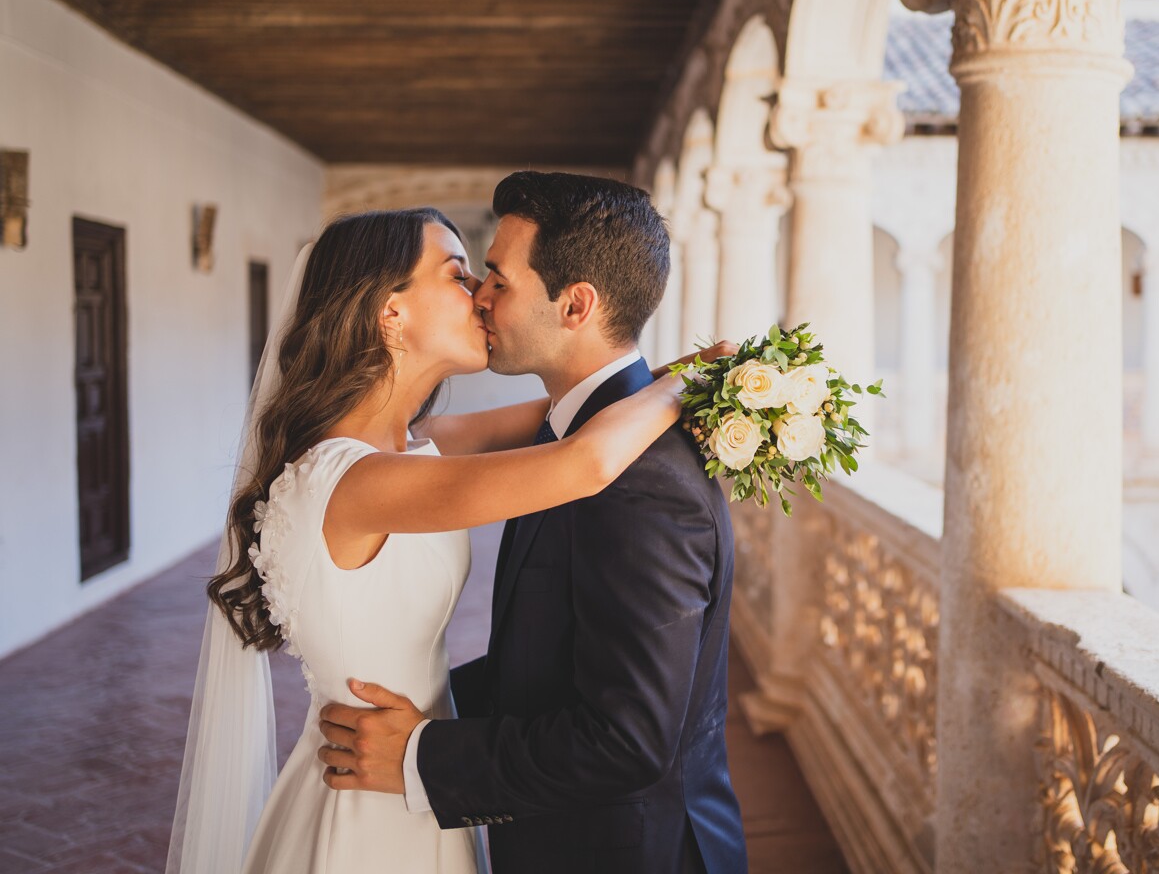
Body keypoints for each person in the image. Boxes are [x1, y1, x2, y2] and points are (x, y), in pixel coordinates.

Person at [166, 200, 734, 874]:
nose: (483, 298)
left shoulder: (414, 447)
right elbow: (583, 461)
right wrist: (697, 382)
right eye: (460, 276)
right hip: (375, 805)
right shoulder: (360, 483)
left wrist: (665, 370)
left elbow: (561, 418)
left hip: (408, 766)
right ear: (390, 311)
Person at [316, 172, 749, 873]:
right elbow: (549, 658)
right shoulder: (573, 440)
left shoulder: (638, 483)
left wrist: (424, 753)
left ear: (576, 304)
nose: (480, 298)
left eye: (496, 279)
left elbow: (628, 741)